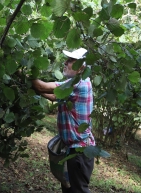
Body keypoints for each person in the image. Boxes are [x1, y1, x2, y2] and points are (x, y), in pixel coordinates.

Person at [31, 48, 95, 193]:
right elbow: (54, 96)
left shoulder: (79, 84)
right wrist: (36, 89)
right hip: (74, 149)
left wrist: (23, 74)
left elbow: (42, 86)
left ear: (81, 68)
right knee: (69, 188)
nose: (65, 62)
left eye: (71, 60)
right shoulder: (76, 83)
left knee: (77, 190)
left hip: (80, 151)